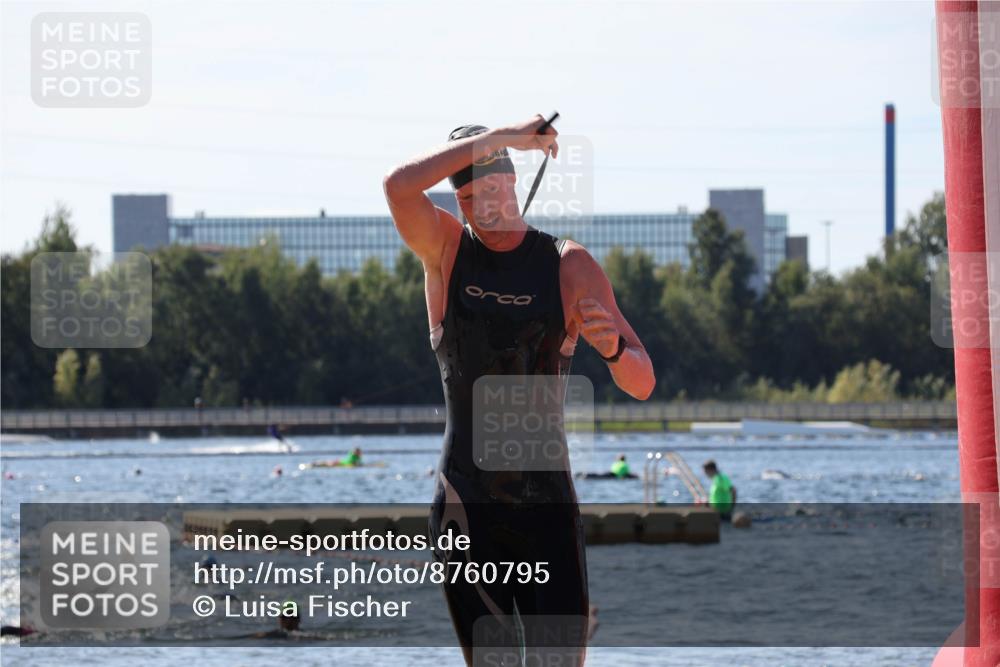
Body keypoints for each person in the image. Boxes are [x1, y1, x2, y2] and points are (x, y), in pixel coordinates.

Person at [383, 114, 655, 666]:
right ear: (458, 204)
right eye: (474, 195)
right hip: (466, 508)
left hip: (546, 507)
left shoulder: (567, 264)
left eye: (498, 188)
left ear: (515, 184)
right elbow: (396, 186)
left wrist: (612, 351)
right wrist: (507, 137)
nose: (490, 205)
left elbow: (643, 382)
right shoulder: (446, 252)